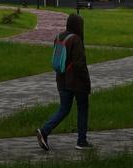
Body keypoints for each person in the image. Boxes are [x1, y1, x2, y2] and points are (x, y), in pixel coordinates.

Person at [35, 12, 92, 151]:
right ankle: (81, 141)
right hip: (77, 82)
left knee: (64, 109)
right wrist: (87, 82)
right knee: (82, 110)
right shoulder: (76, 39)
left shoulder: (59, 37)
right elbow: (79, 65)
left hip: (61, 80)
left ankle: (45, 130)